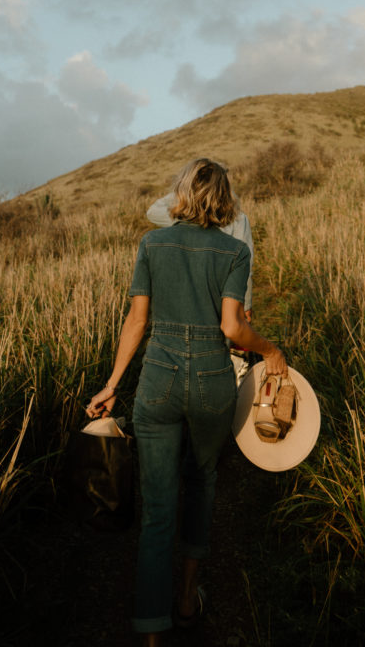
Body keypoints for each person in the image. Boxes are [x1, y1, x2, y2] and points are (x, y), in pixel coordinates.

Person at [86, 158, 287, 647]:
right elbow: (233, 330)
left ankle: (152, 633)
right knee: (201, 484)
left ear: (180, 194)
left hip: (158, 379)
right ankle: (187, 598)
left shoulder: (151, 244)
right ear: (225, 199)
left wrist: (113, 382)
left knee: (157, 512)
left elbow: (136, 322)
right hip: (214, 382)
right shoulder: (235, 250)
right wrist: (272, 351)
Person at [146, 178, 255, 386]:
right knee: (226, 335)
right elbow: (246, 266)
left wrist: (179, 193)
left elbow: (152, 211)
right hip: (225, 291)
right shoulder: (239, 219)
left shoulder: (183, 220)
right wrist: (247, 304)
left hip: (188, 292)